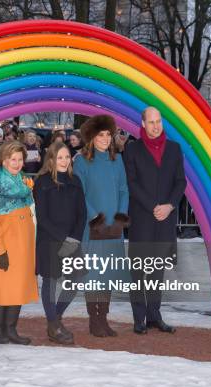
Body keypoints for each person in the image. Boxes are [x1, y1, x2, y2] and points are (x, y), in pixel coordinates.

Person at [123, 107, 186, 335]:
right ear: (143, 124)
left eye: (158, 121)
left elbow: (181, 182)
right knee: (139, 271)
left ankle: (154, 315)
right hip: (142, 219)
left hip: (166, 220)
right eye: (151, 122)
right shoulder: (132, 150)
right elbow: (132, 183)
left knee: (157, 271)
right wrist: (153, 207)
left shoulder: (174, 149)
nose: (156, 126)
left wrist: (169, 206)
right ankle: (139, 318)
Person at [74, 115, 129, 337]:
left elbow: (124, 189)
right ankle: (94, 320)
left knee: (108, 274)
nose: (105, 139)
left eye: (108, 134)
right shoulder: (81, 161)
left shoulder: (117, 160)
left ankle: (103, 318)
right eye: (101, 135)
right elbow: (80, 193)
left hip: (113, 228)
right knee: (94, 275)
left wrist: (120, 216)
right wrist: (95, 218)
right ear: (92, 137)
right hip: (93, 227)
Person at [0, 140, 39, 345]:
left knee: (18, 288)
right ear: (3, 161)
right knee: (2, 289)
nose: (16, 163)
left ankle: (11, 329)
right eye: (12, 159)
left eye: (19, 159)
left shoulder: (24, 181)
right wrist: (0, 250)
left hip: (23, 244)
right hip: (6, 244)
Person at [33, 141, 86, 344]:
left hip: (72, 240)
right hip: (49, 240)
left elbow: (82, 214)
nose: (64, 161)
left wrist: (74, 239)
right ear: (52, 159)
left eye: (66, 157)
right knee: (51, 282)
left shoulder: (76, 181)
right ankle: (54, 326)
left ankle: (54, 318)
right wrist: (62, 240)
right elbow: (42, 218)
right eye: (60, 157)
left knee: (73, 282)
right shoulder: (42, 182)